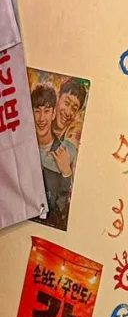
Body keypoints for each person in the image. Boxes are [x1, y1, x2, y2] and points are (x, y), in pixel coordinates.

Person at [31, 82, 66, 223]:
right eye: (37, 111)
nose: (41, 118)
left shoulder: (62, 153)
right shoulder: (22, 148)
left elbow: (64, 208)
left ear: (53, 114)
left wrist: (67, 174)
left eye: (46, 111)